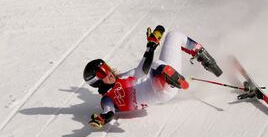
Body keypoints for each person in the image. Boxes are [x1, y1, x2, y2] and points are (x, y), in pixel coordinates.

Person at [83, 25, 223, 129]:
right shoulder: (107, 98)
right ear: (97, 82)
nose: (107, 73)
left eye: (106, 68)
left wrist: (151, 46)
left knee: (174, 36)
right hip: (160, 91)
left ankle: (206, 59)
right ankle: (171, 78)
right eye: (102, 72)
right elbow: (109, 112)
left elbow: (141, 71)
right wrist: (102, 119)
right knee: (156, 65)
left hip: (161, 77)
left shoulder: (122, 77)